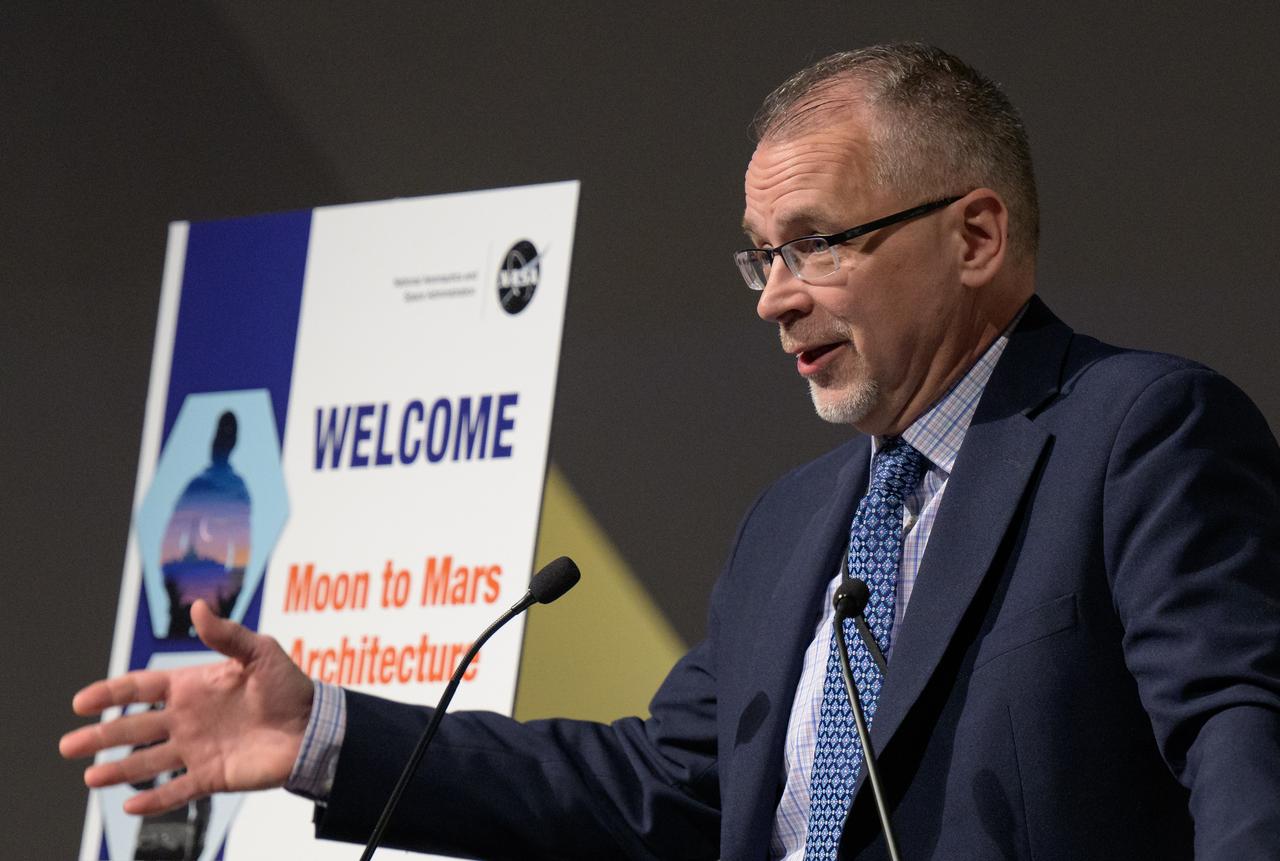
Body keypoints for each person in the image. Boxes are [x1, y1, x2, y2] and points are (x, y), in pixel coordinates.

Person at [61, 43, 1280, 860]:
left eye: (816, 244)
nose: (775, 298)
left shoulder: (1137, 432)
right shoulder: (789, 527)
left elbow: (1237, 730)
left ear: (973, 237)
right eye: (761, 255)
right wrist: (320, 732)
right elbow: (657, 791)